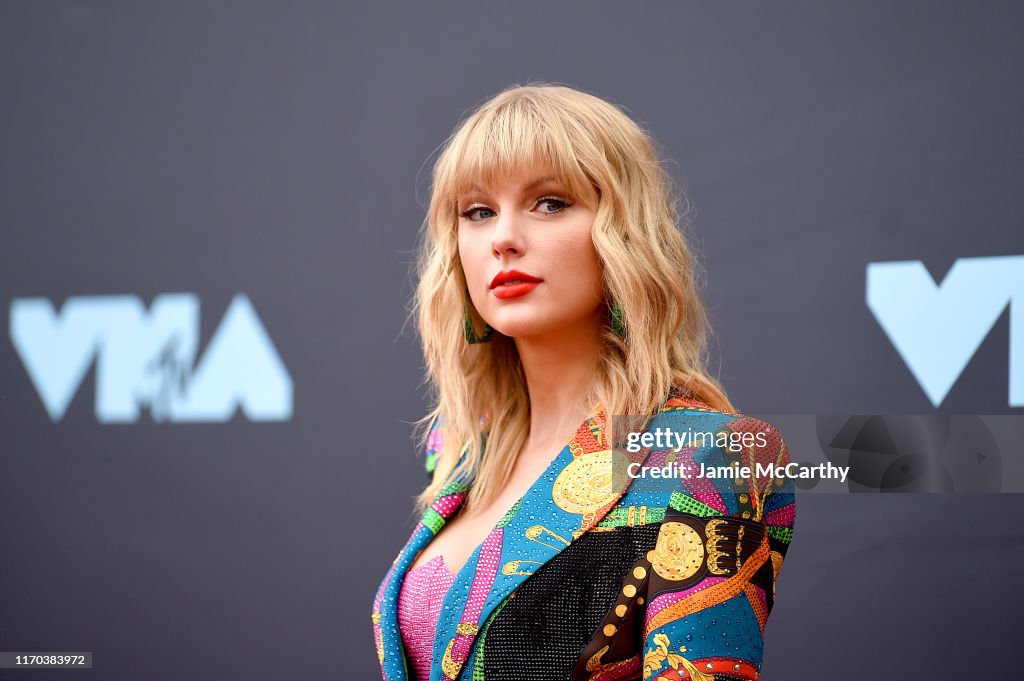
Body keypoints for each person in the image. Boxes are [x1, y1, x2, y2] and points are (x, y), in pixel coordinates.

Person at [371, 82, 796, 681]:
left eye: (550, 203)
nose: (503, 239)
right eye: (478, 212)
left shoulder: (713, 459)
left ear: (623, 232)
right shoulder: (462, 450)